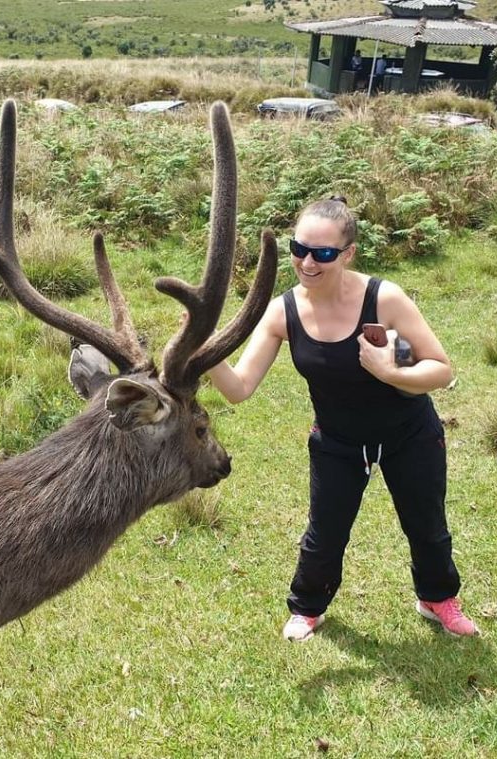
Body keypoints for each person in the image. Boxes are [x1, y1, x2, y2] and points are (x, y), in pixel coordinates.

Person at [205, 197, 478, 642]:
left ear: (348, 253)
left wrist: (390, 372)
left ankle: (437, 599)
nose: (308, 262)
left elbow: (441, 368)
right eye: (299, 249)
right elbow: (238, 389)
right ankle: (307, 607)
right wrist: (205, 349)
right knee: (325, 533)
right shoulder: (283, 312)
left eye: (324, 253)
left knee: (426, 525)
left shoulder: (383, 299)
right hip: (337, 441)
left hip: (409, 434)